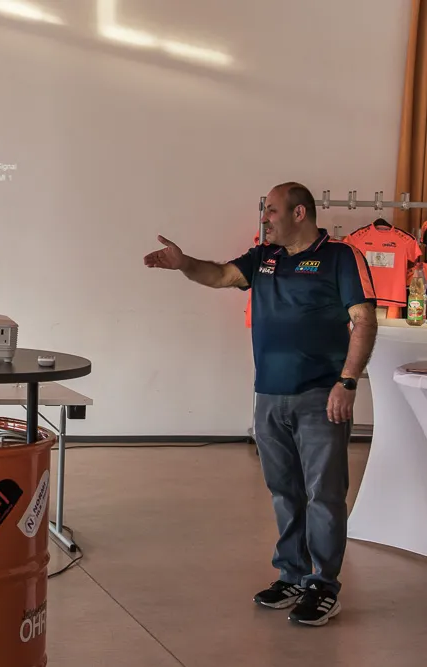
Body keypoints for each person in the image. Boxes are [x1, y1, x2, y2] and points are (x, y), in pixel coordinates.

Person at [143, 182, 377, 627]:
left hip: (320, 396)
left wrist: (347, 382)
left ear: (299, 213)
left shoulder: (341, 257)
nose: (265, 218)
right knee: (284, 491)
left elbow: (364, 321)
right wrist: (184, 263)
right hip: (269, 395)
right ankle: (292, 575)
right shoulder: (264, 257)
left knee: (324, 494)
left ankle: (323, 586)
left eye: (271, 210)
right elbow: (220, 275)